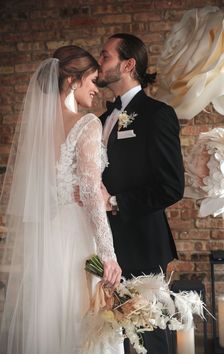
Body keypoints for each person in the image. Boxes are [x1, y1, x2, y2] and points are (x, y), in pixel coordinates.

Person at [0, 45, 123, 354]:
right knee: (84, 321)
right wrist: (108, 255)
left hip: (46, 240)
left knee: (53, 320)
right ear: (72, 80)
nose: (96, 89)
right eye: (92, 80)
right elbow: (92, 194)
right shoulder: (86, 125)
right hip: (76, 238)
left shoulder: (36, 130)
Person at [97, 33, 185, 354]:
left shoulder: (157, 114)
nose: (100, 63)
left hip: (143, 245)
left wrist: (115, 202)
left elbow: (171, 186)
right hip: (106, 248)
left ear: (128, 64)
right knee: (112, 335)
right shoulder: (102, 119)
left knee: (151, 337)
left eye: (105, 56)